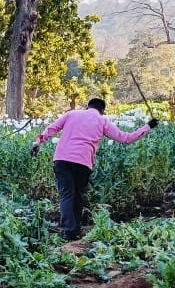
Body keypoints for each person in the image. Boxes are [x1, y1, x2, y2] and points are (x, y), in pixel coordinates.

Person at [30, 98, 158, 241]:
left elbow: (51, 129)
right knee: (78, 196)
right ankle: (74, 231)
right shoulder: (102, 121)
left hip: (62, 160)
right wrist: (148, 126)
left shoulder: (72, 114)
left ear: (88, 106)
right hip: (83, 163)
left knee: (67, 195)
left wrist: (37, 142)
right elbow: (126, 138)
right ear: (103, 111)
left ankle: (68, 231)